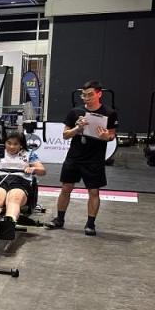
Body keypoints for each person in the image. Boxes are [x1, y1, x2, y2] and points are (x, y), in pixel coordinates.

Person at [46, 80, 118, 236]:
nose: (86, 98)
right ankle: (59, 219)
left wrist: (106, 136)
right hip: (75, 156)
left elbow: (112, 135)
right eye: (84, 95)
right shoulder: (75, 112)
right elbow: (65, 135)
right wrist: (77, 128)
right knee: (66, 188)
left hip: (94, 158)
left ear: (99, 94)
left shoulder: (109, 113)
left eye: (90, 95)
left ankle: (90, 224)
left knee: (94, 191)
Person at [0, 131, 46, 240]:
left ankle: (9, 222)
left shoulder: (29, 154)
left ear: (21, 145)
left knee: (14, 197)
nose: (12, 146)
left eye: (15, 144)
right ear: (5, 143)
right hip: (1, 181)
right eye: (9, 143)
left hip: (20, 182)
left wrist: (33, 168)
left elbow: (42, 170)